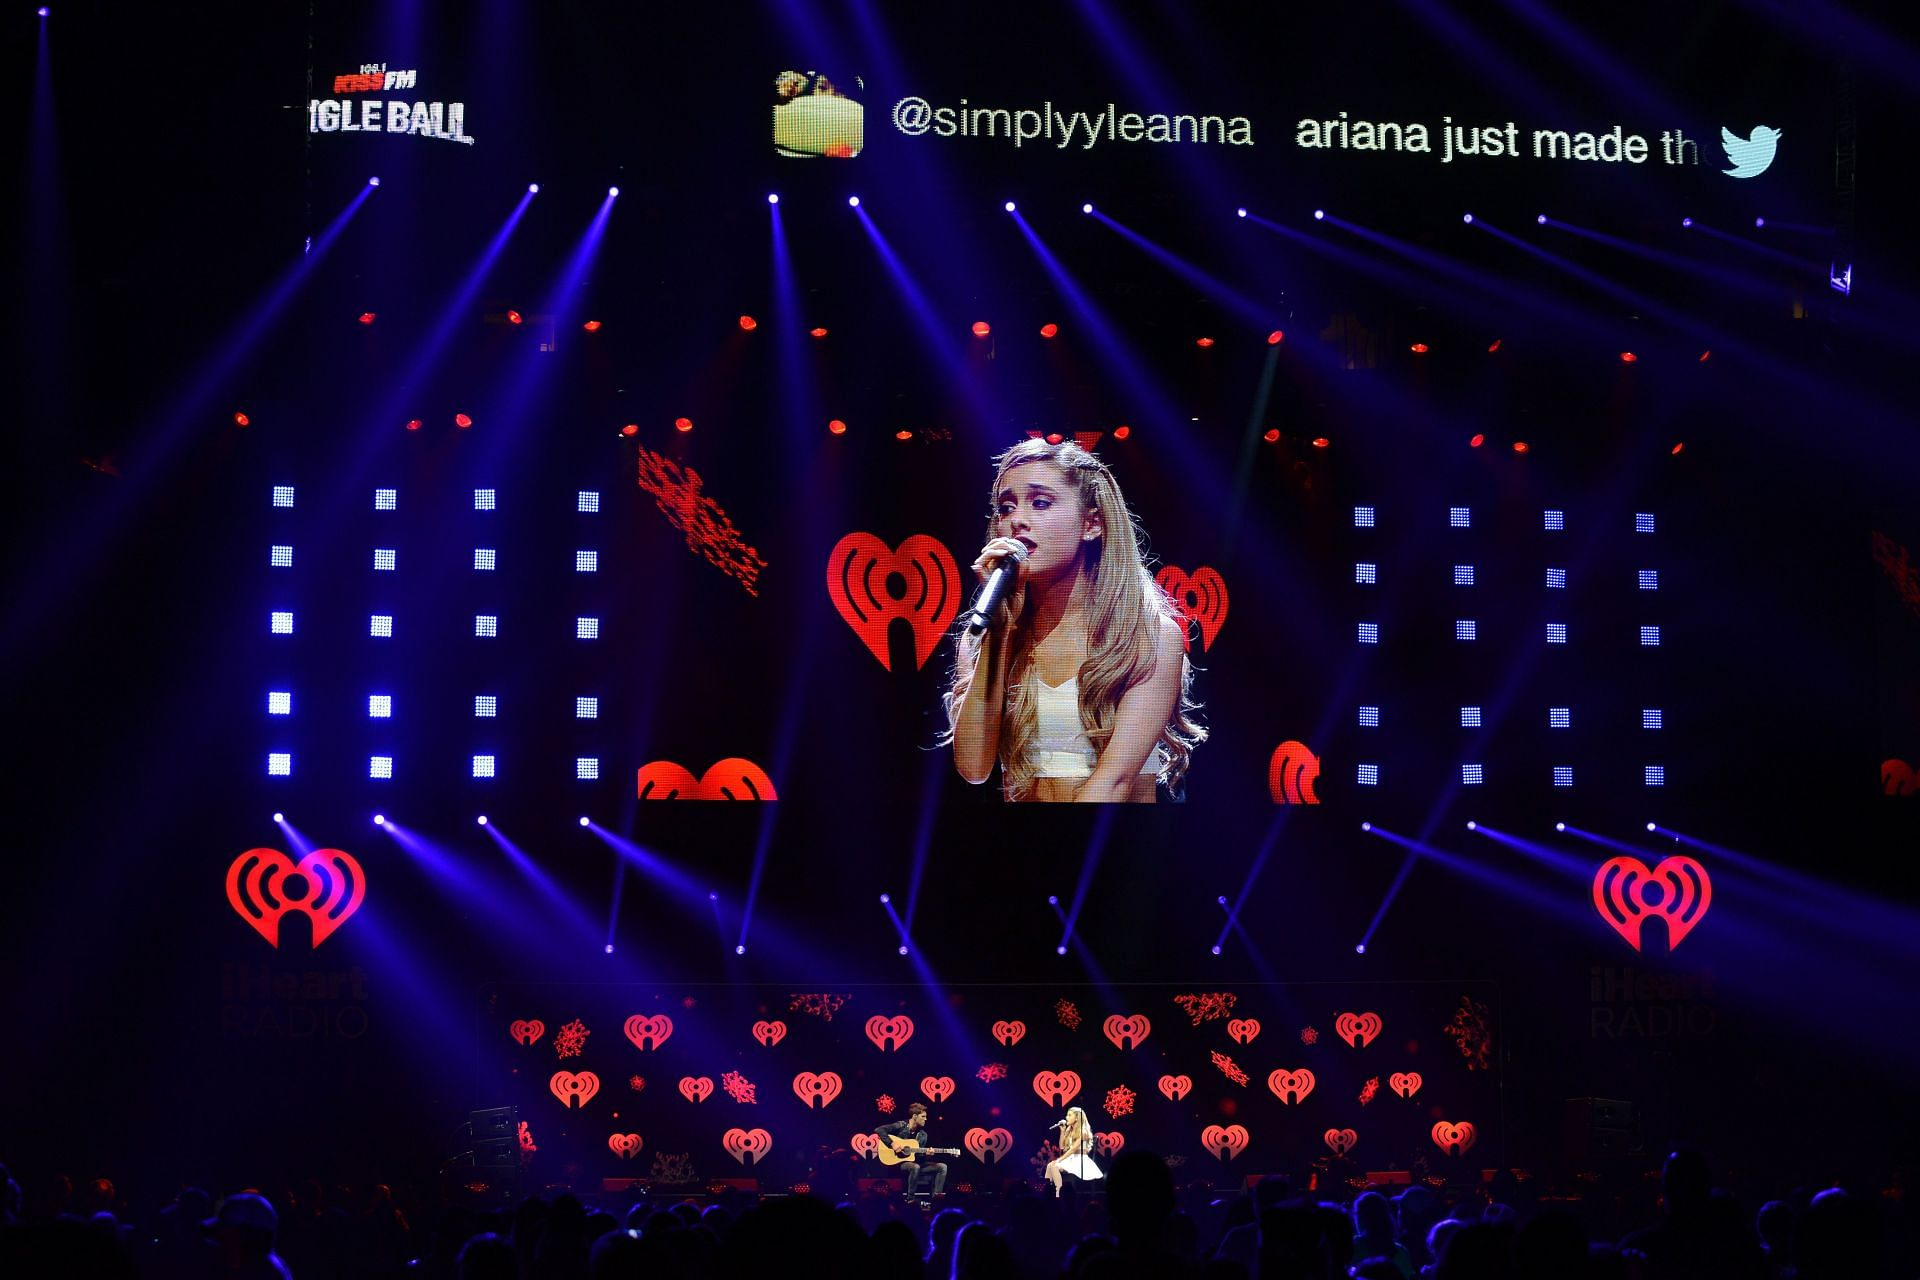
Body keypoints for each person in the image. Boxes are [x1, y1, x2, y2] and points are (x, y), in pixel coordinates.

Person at [945, 439, 1205, 802]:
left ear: (1091, 524)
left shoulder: (1148, 635)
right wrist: (998, 634)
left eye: (1040, 503)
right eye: (1005, 508)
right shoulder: (983, 636)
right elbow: (973, 768)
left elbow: (1116, 781)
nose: (1017, 520)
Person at [872, 1102, 949, 1197]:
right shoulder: (900, 1125)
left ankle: (937, 1197)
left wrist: (927, 1155)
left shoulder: (923, 1135)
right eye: (923, 1116)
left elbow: (919, 1158)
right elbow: (879, 1130)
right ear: (915, 1116)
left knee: (942, 1167)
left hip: (915, 1164)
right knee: (915, 1167)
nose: (926, 1119)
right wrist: (892, 1143)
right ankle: (910, 1198)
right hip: (898, 1164)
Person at [1044, 1106, 1104, 1197]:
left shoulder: (1083, 1132)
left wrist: (1059, 1160)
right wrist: (1063, 1131)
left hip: (1080, 1160)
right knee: (1050, 1166)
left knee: (1054, 1166)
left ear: (1077, 1118)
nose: (1066, 1117)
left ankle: (1059, 1193)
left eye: (1069, 1115)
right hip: (1070, 1158)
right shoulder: (1069, 1130)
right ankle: (1051, 1191)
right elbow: (1062, 1146)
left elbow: (1072, 1150)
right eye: (1067, 1115)